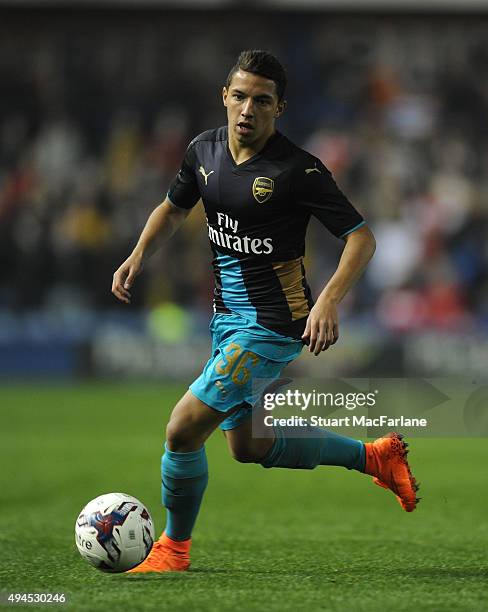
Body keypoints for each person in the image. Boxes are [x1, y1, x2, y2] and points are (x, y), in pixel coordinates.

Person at [111, 49, 418, 573]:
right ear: (224, 97)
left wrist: (327, 301)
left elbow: (361, 239)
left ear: (280, 109)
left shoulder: (299, 170)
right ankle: (375, 457)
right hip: (227, 319)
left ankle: (172, 550)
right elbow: (174, 206)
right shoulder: (202, 151)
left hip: (272, 325)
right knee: (248, 446)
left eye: (261, 100)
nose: (247, 109)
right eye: (239, 96)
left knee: (182, 430)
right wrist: (139, 253)